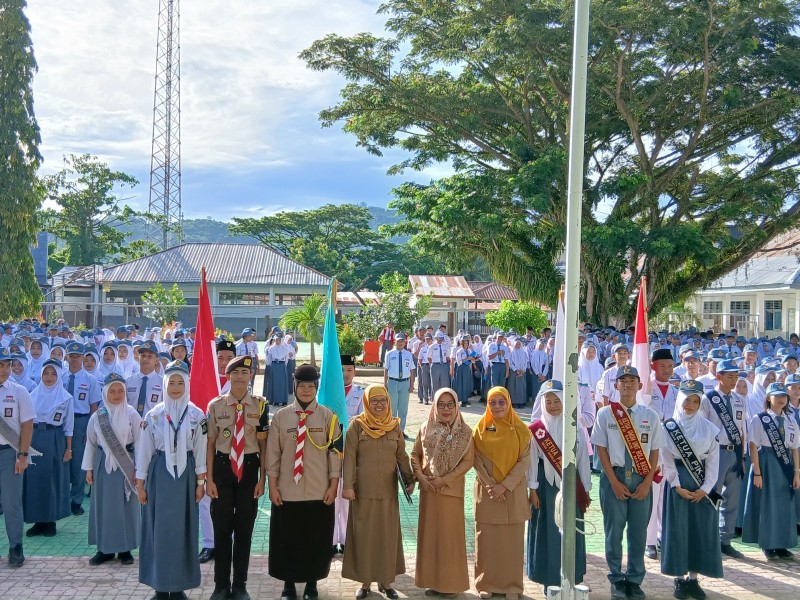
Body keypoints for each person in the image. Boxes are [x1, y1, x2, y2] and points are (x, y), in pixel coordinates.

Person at [267, 364, 342, 600]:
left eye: (311, 386)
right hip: (288, 491)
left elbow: (335, 454)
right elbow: (273, 454)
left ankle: (312, 584)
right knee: (287, 539)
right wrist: (272, 486)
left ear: (316, 388)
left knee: (315, 540)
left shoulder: (329, 417)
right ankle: (288, 584)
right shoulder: (281, 417)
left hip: (319, 491)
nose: (307, 391)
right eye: (302, 386)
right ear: (295, 387)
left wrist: (333, 486)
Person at [136, 360, 208, 600]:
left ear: (187, 384)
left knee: (183, 529)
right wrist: (140, 483)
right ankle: (159, 586)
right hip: (159, 476)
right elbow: (144, 450)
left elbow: (200, 450)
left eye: (180, 382)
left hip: (185, 477)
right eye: (171, 382)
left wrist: (200, 483)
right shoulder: (154, 415)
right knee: (158, 530)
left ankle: (178, 587)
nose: (176, 387)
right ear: (164, 384)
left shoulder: (197, 415)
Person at [591, 366, 663, 600]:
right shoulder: (605, 414)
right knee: (613, 532)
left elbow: (654, 452)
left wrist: (647, 482)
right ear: (616, 385)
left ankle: (634, 579)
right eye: (623, 381)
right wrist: (612, 480)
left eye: (632, 381)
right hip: (615, 476)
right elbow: (600, 448)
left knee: (638, 533)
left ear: (640, 386)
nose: (628, 385)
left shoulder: (650, 415)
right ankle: (616, 577)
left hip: (642, 478)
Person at [206, 355, 269, 600]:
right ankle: (221, 585)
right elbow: (210, 444)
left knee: (244, 529)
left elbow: (263, 446)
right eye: (235, 373)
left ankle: (240, 585)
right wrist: (209, 479)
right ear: (228, 376)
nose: (240, 377)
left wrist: (262, 478)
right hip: (222, 469)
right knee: (221, 529)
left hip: (249, 469)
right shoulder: (216, 405)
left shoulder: (260, 405)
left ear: (251, 375)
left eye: (245, 373)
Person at [342, 384, 414, 600]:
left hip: (388, 494)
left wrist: (410, 480)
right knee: (364, 537)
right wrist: (348, 486)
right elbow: (349, 458)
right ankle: (365, 582)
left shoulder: (394, 427)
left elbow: (402, 457)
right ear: (366, 402)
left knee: (386, 538)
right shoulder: (356, 426)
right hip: (362, 492)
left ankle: (386, 581)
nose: (379, 404)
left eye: (383, 400)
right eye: (374, 400)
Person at [526, 381, 591, 594]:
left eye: (557, 400)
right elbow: (532, 461)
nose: (553, 405)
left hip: (572, 486)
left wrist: (586, 491)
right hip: (545, 488)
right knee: (548, 532)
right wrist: (533, 489)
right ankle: (549, 581)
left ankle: (571, 578)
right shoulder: (536, 429)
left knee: (570, 531)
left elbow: (582, 461)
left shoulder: (576, 427)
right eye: (548, 401)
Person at [660, 380, 722, 600]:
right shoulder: (669, 427)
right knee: (678, 531)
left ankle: (694, 579)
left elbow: (714, 461)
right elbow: (665, 459)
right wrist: (676, 485)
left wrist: (705, 488)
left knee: (699, 531)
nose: (691, 405)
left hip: (702, 485)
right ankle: (678, 578)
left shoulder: (710, 429)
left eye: (696, 401)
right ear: (679, 400)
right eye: (687, 400)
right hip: (678, 484)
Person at [411, 388, 474, 598]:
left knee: (449, 540)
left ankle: (451, 585)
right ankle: (434, 582)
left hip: (450, 493)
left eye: (450, 404)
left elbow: (468, 462)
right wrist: (420, 477)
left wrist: (443, 480)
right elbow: (415, 455)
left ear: (457, 406)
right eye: (441, 404)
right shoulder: (425, 427)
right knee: (431, 539)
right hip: (429, 492)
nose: (446, 409)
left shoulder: (465, 432)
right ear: (434, 406)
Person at [472, 386, 531, 600]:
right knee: (487, 541)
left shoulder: (522, 430)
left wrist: (504, 486)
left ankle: (511, 586)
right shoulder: (479, 430)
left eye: (501, 402)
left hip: (512, 492)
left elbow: (524, 461)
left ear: (508, 403)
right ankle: (486, 583)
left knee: (512, 542)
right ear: (487, 404)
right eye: (492, 402)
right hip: (487, 492)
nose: (497, 406)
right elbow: (475, 460)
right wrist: (492, 486)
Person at [82, 373, 142, 566]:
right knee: (104, 507)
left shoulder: (133, 414)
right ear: (105, 392)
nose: (117, 395)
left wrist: (139, 471)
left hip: (127, 465)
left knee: (126, 507)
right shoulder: (97, 416)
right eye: (112, 391)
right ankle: (104, 549)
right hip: (102, 466)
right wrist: (89, 469)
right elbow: (91, 444)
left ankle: (126, 549)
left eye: (121, 391)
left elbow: (141, 443)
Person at [742, 382, 800, 559]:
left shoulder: (790, 420)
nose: (781, 399)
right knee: (767, 506)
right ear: (768, 397)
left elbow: (795, 448)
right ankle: (767, 545)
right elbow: (753, 446)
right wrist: (757, 472)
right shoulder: (760, 419)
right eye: (777, 395)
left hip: (785, 467)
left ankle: (782, 545)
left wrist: (797, 472)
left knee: (784, 506)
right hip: (766, 463)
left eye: (784, 395)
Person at [698, 359, 747, 559]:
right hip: (715, 452)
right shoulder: (708, 399)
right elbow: (702, 428)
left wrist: (741, 456)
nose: (734, 380)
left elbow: (742, 429)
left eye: (736, 376)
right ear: (719, 377)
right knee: (712, 496)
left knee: (732, 497)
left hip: (734, 452)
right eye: (730, 376)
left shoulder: (739, 399)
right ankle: (708, 539)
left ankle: (725, 539)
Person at [23, 359, 74, 537]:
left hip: (55, 438)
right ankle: (38, 521)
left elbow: (69, 426)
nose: (49, 377)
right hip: (35, 438)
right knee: (35, 480)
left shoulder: (67, 398)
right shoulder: (31, 395)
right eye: (46, 373)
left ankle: (50, 521)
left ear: (59, 375)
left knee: (53, 479)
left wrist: (68, 449)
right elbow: (26, 422)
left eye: (53, 373)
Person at [0, 346, 36, 566]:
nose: (4, 370)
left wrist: (23, 455)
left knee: (12, 502)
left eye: (7, 365)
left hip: (9, 453)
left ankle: (15, 547)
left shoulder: (19, 391)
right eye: (0, 365)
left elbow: (27, 424)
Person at [645, 348, 679, 560]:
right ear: (653, 366)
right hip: (652, 451)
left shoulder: (678, 392)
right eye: (662, 366)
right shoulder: (646, 390)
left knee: (667, 497)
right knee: (653, 495)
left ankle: (663, 536)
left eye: (670, 365)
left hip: (672, 452)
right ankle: (649, 542)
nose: (667, 370)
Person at [62, 340, 101, 516]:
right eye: (72, 356)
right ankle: (62, 500)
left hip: (81, 421)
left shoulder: (90, 380)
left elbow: (94, 407)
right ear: (66, 357)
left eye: (78, 356)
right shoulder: (60, 377)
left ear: (84, 358)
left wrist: (90, 430)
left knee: (78, 463)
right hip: (61, 421)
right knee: (61, 461)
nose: (75, 360)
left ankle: (75, 501)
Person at [333, 355, 365, 555]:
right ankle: (329, 539)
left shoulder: (360, 394)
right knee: (329, 496)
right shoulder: (328, 391)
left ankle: (345, 539)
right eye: (342, 370)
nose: (345, 374)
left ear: (354, 372)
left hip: (351, 450)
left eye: (349, 370)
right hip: (330, 451)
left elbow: (362, 420)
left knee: (346, 495)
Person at [383, 334, 416, 438]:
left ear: (405, 342)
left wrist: (412, 384)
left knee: (403, 408)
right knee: (392, 407)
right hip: (392, 382)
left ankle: (401, 430)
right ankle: (392, 429)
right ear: (395, 342)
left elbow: (411, 370)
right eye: (398, 341)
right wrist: (385, 383)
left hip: (405, 383)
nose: (400, 343)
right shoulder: (389, 354)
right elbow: (386, 369)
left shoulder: (408, 355)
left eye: (402, 341)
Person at [126, 340, 163, 417]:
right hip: (131, 425)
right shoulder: (128, 381)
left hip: (153, 426)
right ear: (138, 358)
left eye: (150, 356)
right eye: (143, 356)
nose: (145, 359)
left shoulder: (163, 383)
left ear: (156, 361)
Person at [267, 332, 291, 406]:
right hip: (274, 366)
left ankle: (283, 400)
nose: (278, 341)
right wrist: (272, 366)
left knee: (282, 383)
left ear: (282, 340)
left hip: (282, 366)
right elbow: (269, 359)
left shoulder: (285, 348)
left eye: (279, 340)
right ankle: (275, 400)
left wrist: (282, 365)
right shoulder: (271, 349)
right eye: (276, 340)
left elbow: (287, 359)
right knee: (274, 383)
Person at [451, 336, 476, 408]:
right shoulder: (459, 351)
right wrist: (468, 358)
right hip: (461, 367)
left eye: (466, 343)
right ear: (461, 343)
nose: (465, 344)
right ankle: (461, 399)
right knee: (461, 383)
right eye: (464, 343)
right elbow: (459, 362)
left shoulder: (469, 351)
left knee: (466, 383)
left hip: (467, 368)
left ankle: (466, 398)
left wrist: (473, 359)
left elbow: (472, 359)